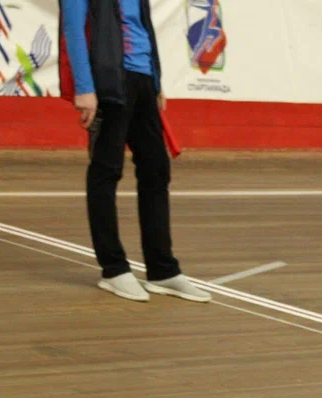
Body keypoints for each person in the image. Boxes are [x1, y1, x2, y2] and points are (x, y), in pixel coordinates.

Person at [58, 0, 209, 304]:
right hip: (109, 81)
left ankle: (162, 270)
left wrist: (155, 81)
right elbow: (73, 30)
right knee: (106, 170)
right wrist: (85, 88)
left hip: (142, 80)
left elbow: (143, 29)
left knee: (156, 170)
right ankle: (113, 269)